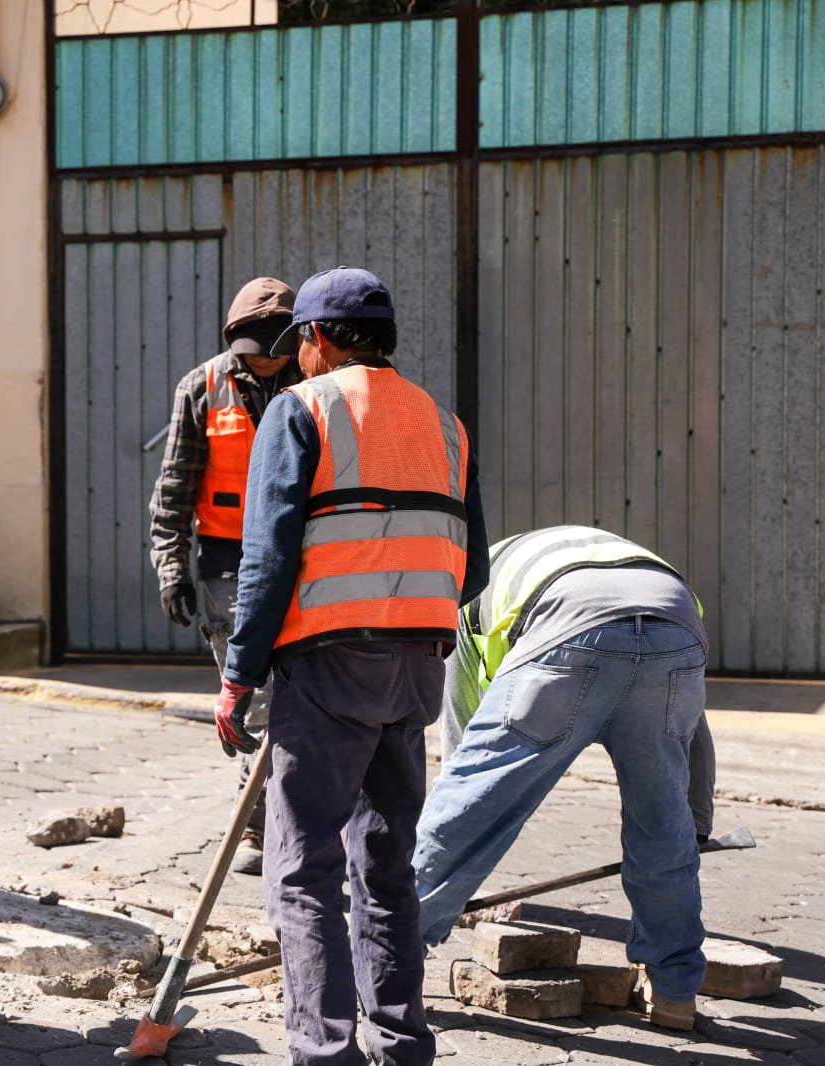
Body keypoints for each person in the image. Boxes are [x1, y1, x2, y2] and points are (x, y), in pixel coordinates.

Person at [216, 266, 489, 1066]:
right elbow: (470, 571)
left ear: (318, 340)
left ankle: (325, 1051)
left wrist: (238, 677)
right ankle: (403, 1045)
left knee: (302, 872)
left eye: (301, 342)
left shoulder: (301, 411)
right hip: (414, 674)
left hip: (328, 668)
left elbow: (266, 563)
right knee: (387, 867)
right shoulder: (446, 426)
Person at [412, 525, 716, 1031]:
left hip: (567, 624)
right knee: (663, 826)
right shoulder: (598, 556)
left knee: (466, 807)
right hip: (676, 622)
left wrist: (460, 858)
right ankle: (675, 995)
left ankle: (386, 963)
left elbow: (464, 762)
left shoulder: (464, 593)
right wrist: (696, 826)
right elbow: (693, 737)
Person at [149, 276, 302, 877]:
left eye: (274, 349)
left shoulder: (314, 383)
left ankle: (281, 818)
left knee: (305, 696)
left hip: (302, 558)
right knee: (255, 697)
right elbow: (174, 489)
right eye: (253, 350)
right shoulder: (203, 387)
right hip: (228, 565)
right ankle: (259, 828)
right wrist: (171, 568)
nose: (264, 361)